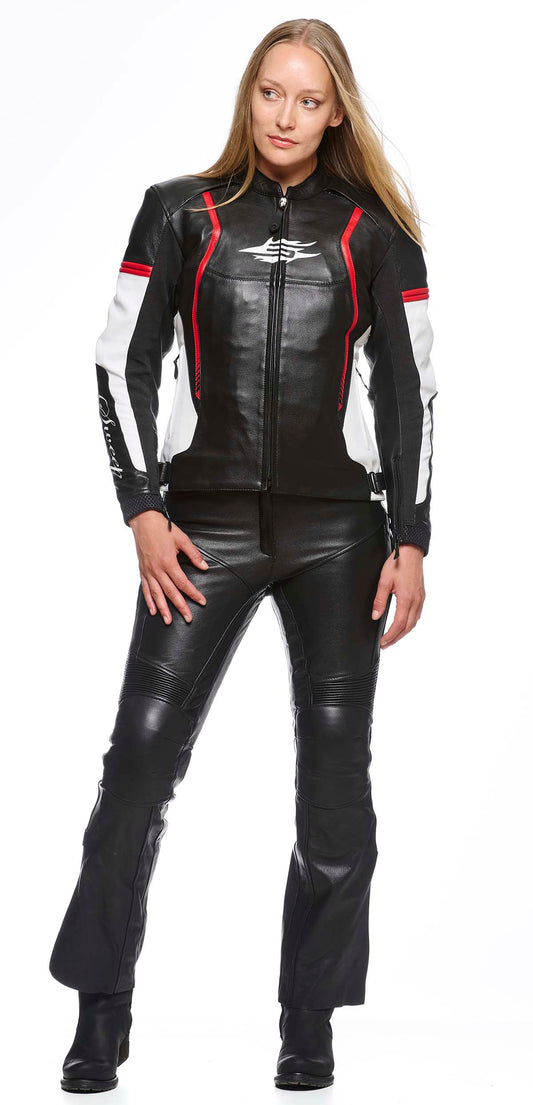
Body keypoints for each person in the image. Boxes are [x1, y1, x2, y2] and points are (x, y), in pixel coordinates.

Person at [49, 16, 437, 1094]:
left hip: (337, 535)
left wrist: (410, 536)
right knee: (137, 767)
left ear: (335, 112)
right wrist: (141, 509)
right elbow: (118, 360)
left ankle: (308, 1023)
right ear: (247, 94)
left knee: (334, 786)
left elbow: (412, 393)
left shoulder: (373, 233)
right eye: (272, 92)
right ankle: (99, 1013)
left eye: (308, 100)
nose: (285, 115)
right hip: (201, 529)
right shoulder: (180, 212)